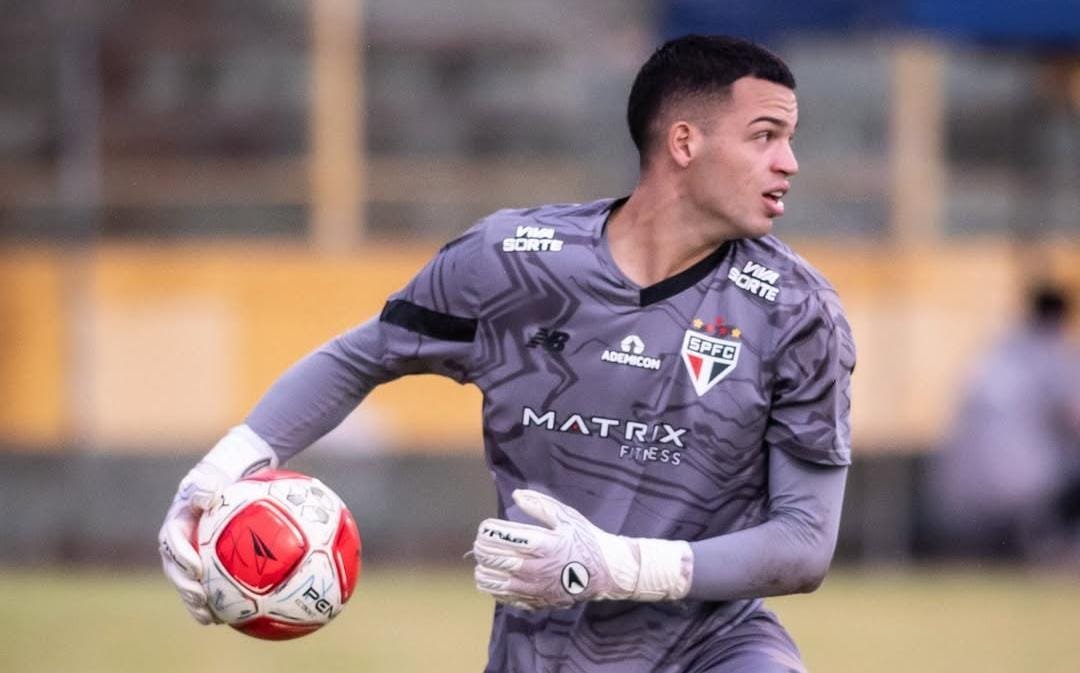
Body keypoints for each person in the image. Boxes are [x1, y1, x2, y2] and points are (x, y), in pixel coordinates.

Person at [159, 34, 855, 673]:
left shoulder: (797, 311)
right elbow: (361, 356)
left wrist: (618, 565)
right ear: (683, 142)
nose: (789, 162)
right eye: (766, 136)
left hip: (718, 648)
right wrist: (214, 475)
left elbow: (802, 544)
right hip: (543, 651)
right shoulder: (513, 264)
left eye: (791, 138)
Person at [929, 284, 1080, 562]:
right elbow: (1072, 417)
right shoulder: (1054, 352)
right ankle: (1055, 548)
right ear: (1061, 317)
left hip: (959, 479)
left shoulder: (999, 347)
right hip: (1026, 481)